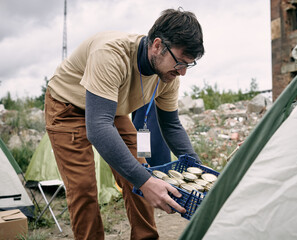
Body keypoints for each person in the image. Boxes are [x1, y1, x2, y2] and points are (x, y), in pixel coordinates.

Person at [44, 7, 204, 240]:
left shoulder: (168, 75)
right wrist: (145, 181)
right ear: (157, 45)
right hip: (68, 106)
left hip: (111, 107)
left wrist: (197, 169)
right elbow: (98, 129)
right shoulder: (111, 54)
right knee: (84, 190)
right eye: (180, 62)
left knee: (141, 174)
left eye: (188, 65)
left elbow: (171, 126)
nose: (182, 72)